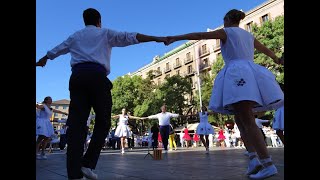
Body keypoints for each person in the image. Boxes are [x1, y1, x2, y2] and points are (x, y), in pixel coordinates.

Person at [36, 8, 167, 180]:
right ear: (99, 21)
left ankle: (74, 174)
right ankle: (88, 163)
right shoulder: (104, 33)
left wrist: (45, 58)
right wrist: (158, 38)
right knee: (103, 122)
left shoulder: (76, 36)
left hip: (77, 78)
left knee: (76, 126)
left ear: (85, 21)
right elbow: (131, 36)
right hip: (97, 77)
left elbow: (58, 49)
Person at [165, 9, 284, 179]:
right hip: (250, 72)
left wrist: (176, 37)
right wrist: (277, 59)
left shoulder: (226, 32)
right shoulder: (248, 36)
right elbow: (267, 51)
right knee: (240, 119)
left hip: (237, 73)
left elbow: (200, 35)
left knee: (247, 120)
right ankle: (253, 159)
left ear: (228, 19)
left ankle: (268, 164)